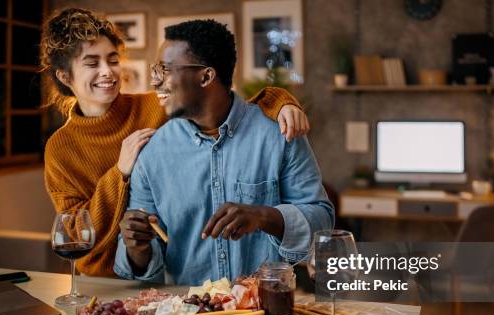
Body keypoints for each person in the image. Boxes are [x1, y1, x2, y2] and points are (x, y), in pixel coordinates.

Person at [41, 8, 311, 277]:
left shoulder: (156, 105)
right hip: (103, 279)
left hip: (161, 274)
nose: (107, 72)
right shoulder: (60, 148)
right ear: (65, 76)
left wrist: (280, 100)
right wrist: (119, 173)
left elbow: (222, 101)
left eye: (112, 60)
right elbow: (74, 233)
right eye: (92, 63)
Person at [115, 19, 334, 285]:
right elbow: (145, 266)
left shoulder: (279, 134)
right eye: (154, 69)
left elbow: (322, 224)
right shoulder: (151, 154)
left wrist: (264, 216)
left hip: (267, 310)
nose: (154, 80)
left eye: (165, 69)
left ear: (206, 76)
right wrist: (136, 247)